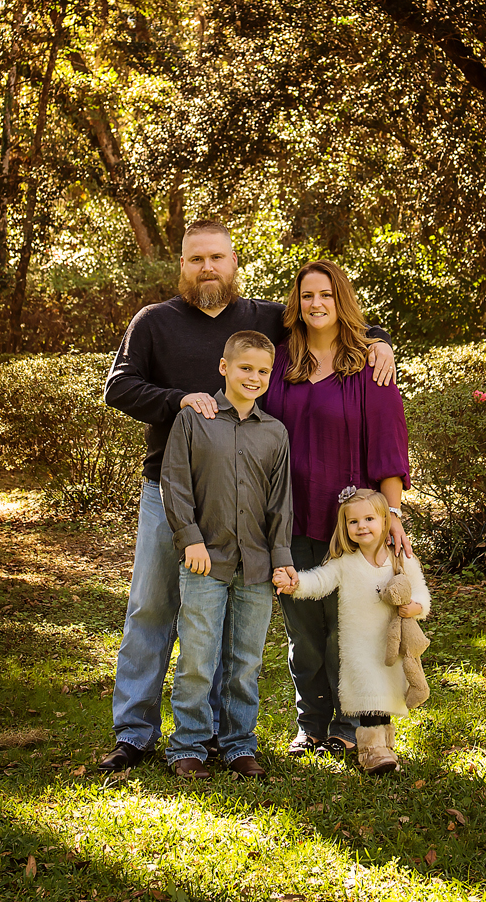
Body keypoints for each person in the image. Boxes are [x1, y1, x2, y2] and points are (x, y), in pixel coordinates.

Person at [97, 222, 397, 772]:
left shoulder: (263, 319)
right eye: (195, 259)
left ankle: (216, 734)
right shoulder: (155, 322)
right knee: (153, 608)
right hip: (170, 491)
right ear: (181, 265)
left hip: (244, 502)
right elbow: (119, 385)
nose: (206, 268)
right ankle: (135, 733)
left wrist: (381, 343)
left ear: (235, 263)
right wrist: (180, 400)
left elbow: (329, 315)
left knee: (223, 617)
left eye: (217, 258)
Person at [266, 259, 411, 759]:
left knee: (349, 629)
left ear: (340, 299)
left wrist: (392, 516)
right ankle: (310, 725)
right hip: (291, 517)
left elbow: (389, 446)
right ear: (296, 303)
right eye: (307, 295)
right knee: (304, 635)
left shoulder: (370, 364)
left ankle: (349, 727)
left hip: (353, 526)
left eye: (325, 294)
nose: (316, 304)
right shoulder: (279, 363)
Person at [159, 330, 294, 780]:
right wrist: (189, 537)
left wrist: (281, 557)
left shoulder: (275, 433)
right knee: (198, 657)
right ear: (224, 368)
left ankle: (238, 744)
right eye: (245, 368)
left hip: (255, 564)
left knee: (246, 662)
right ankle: (189, 745)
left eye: (262, 371)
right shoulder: (195, 420)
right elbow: (174, 481)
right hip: (205, 559)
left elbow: (280, 501)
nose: (254, 377)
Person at [274, 487, 430, 775]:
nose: (362, 527)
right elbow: (319, 581)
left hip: (389, 645)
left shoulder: (400, 560)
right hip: (357, 648)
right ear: (344, 527)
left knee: (384, 698)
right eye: (353, 522)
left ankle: (385, 746)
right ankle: (373, 753)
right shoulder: (345, 563)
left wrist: (415, 607)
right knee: (369, 698)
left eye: (369, 519)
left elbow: (421, 591)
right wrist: (294, 584)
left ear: (385, 520)